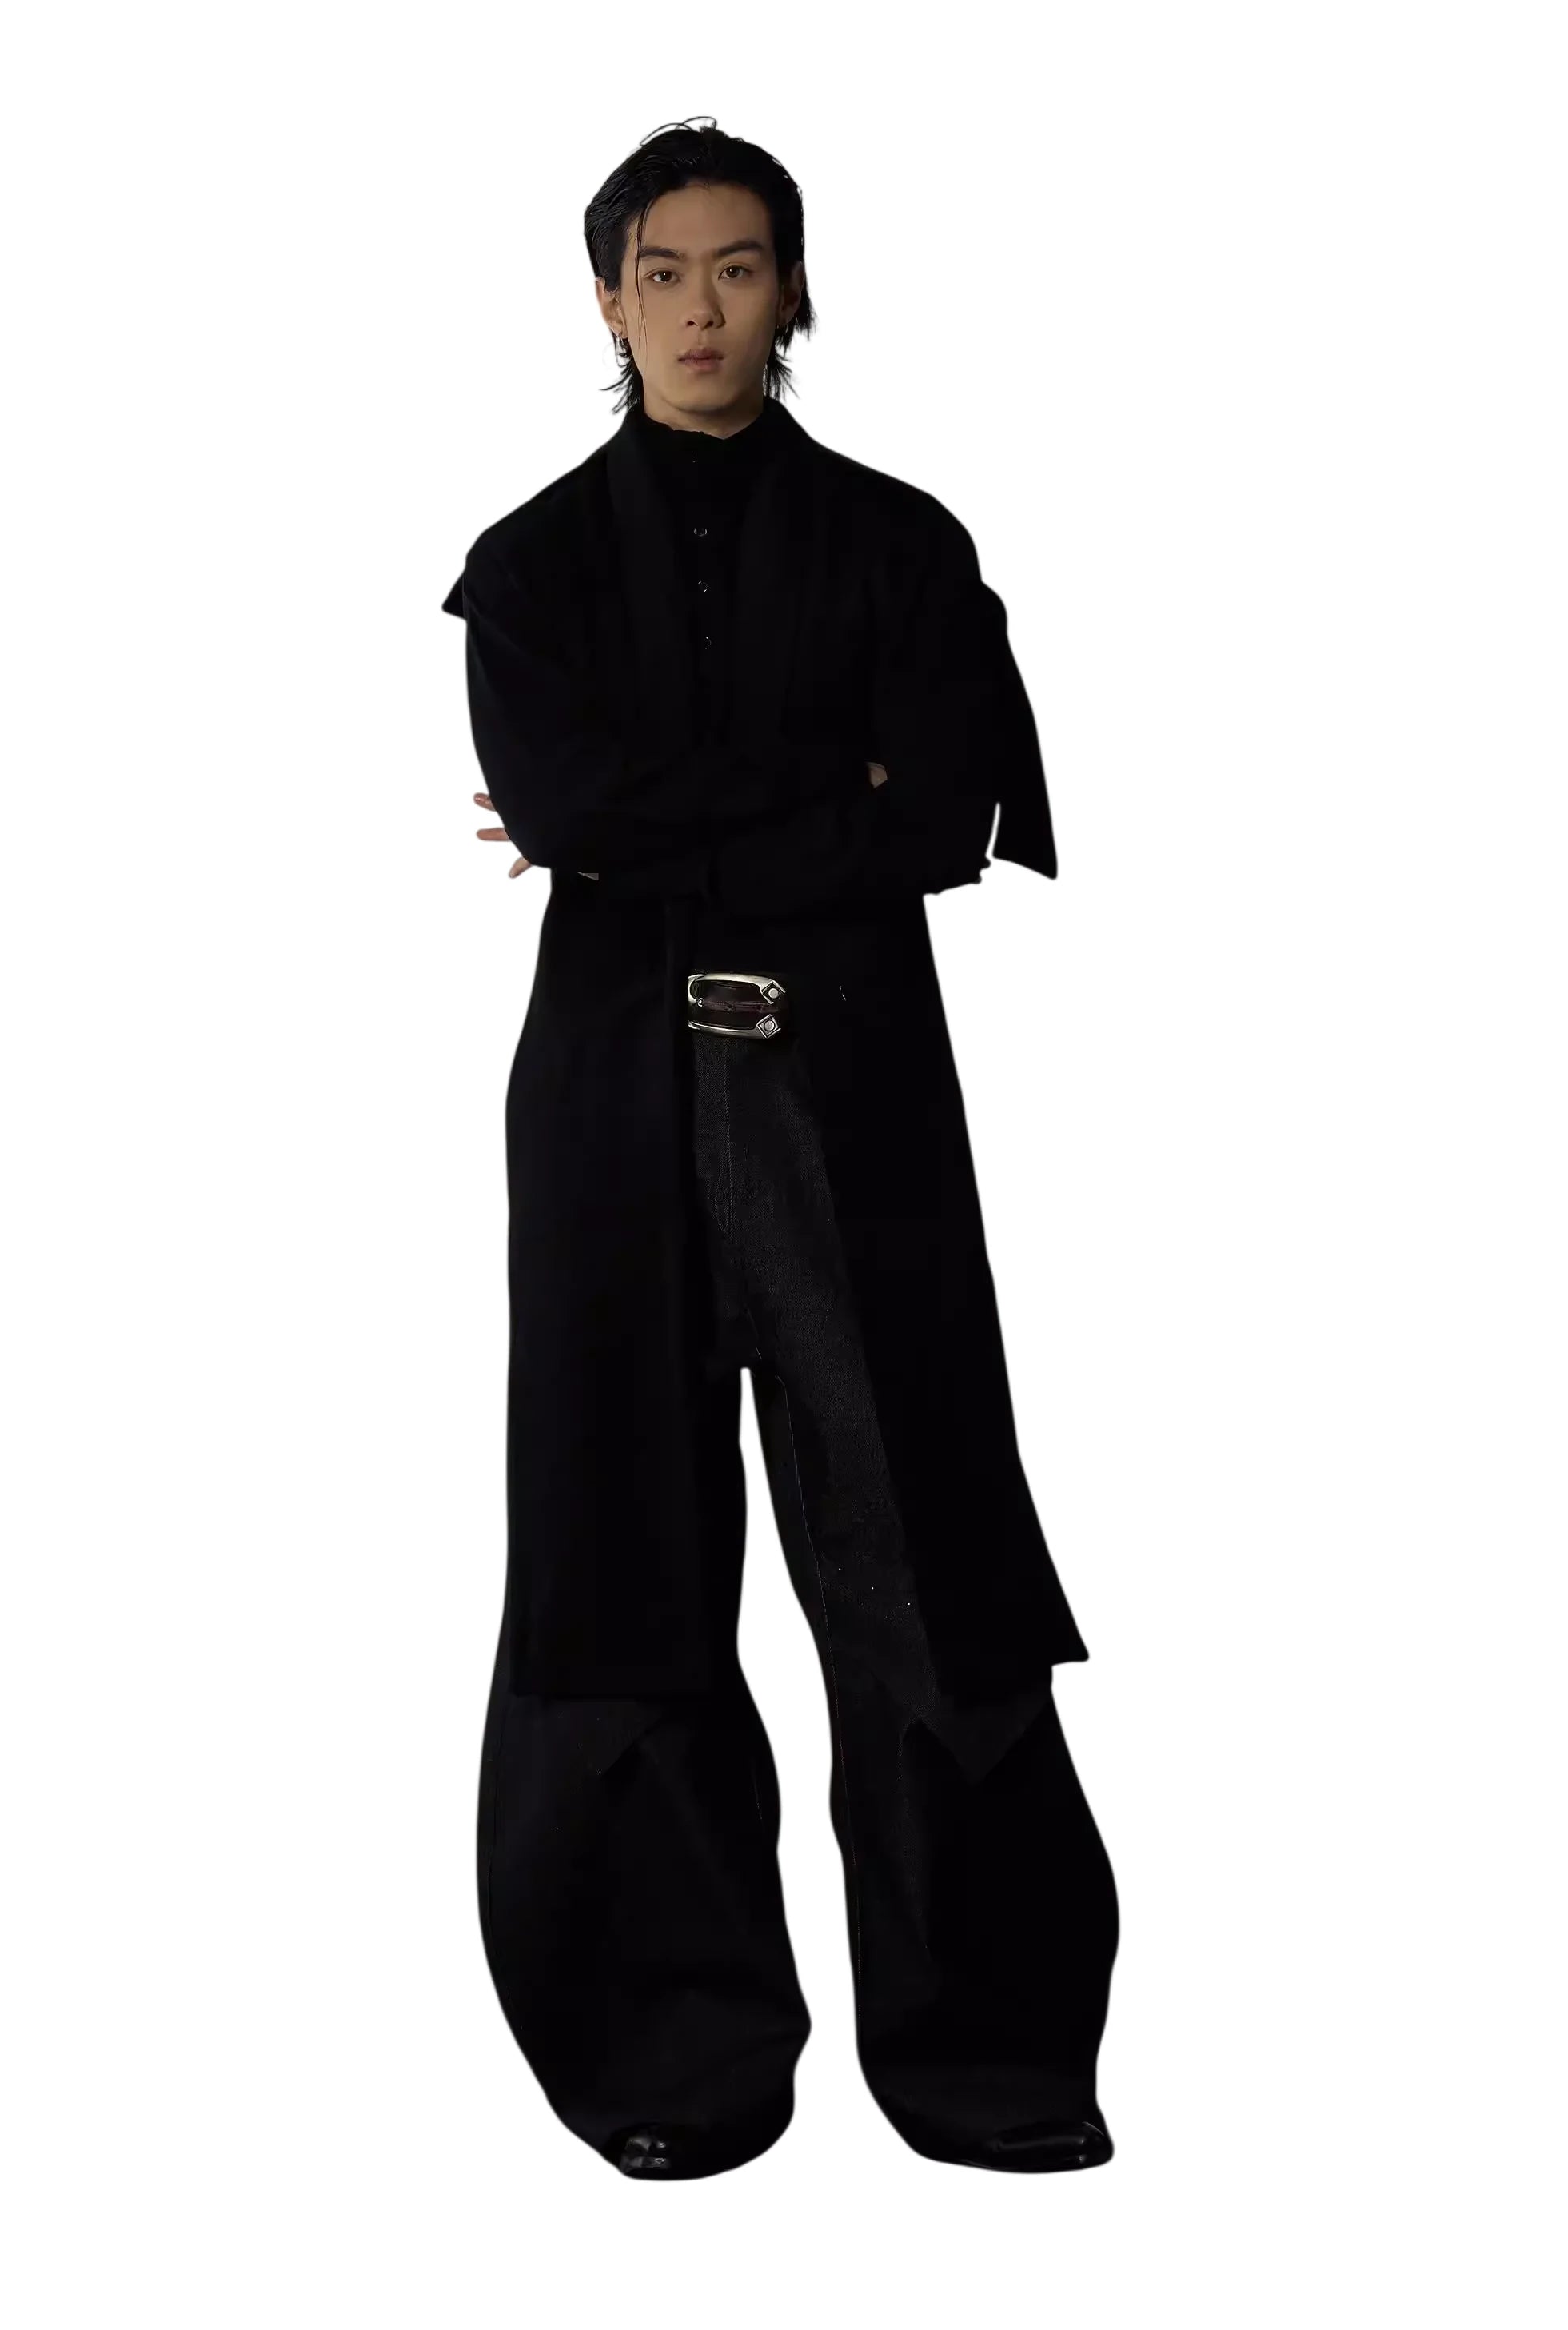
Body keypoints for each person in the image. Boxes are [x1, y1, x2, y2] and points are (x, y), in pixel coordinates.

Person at [444, 118, 1119, 2180]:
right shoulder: (529, 569)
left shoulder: (906, 545)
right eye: (661, 273)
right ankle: (672, 2061)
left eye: (738, 269)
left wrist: (658, 817)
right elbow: (580, 800)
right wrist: (830, 790)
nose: (700, 310)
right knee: (622, 1560)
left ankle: (989, 2061)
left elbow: (948, 823)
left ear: (793, 290)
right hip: (614, 1114)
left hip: (855, 1104)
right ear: (606, 298)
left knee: (922, 1557)